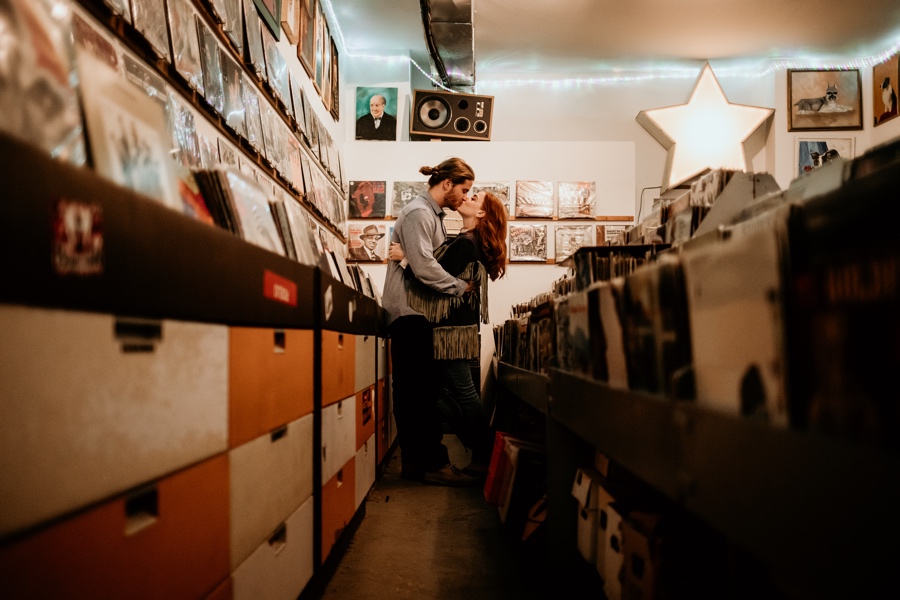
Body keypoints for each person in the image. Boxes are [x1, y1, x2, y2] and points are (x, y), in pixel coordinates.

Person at [388, 191, 508, 477]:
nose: (468, 196)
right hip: (455, 330)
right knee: (443, 392)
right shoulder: (466, 241)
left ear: (481, 213)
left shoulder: (467, 243)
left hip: (450, 332)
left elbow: (433, 276)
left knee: (462, 393)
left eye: (475, 197)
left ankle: (484, 457)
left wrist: (406, 257)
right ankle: (482, 452)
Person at [382, 157, 479, 486]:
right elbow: (424, 268)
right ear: (447, 184)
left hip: (417, 313)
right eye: (464, 189)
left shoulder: (433, 216)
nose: (466, 196)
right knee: (417, 394)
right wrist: (458, 287)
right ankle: (431, 466)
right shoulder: (420, 213)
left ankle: (418, 465)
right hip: (411, 314)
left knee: (418, 393)